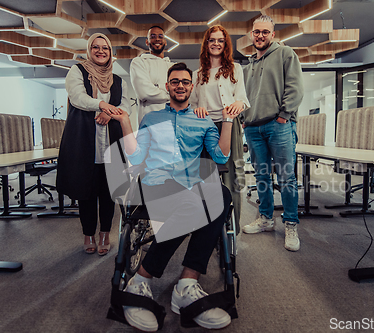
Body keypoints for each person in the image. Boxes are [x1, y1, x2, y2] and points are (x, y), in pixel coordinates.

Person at [111, 63, 236, 331]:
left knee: (221, 195)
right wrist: (125, 122)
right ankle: (141, 279)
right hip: (157, 183)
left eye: (185, 82)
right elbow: (134, 156)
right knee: (195, 202)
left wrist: (227, 120)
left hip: (190, 184)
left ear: (192, 87)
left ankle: (187, 282)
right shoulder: (151, 119)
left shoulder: (202, 120)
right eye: (175, 81)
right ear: (167, 86)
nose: (180, 85)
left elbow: (221, 156)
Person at [57, 33, 131, 255]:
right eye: (96, 47)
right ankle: (88, 233)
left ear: (110, 53)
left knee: (109, 191)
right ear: (89, 50)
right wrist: (102, 105)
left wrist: (109, 113)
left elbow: (125, 104)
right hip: (83, 141)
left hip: (111, 141)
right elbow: (77, 97)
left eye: (105, 48)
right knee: (85, 191)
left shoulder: (118, 80)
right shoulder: (76, 72)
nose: (101, 51)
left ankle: (105, 233)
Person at [241, 15, 304, 252]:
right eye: (256, 32)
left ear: (273, 34)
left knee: (286, 178)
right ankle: (266, 219)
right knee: (262, 177)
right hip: (253, 128)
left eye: (265, 32)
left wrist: (284, 115)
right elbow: (243, 97)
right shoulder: (249, 65)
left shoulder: (285, 54)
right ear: (251, 34)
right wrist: (244, 121)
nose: (260, 36)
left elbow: (295, 88)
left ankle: (290, 224)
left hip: (279, 125)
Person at [190, 25, 250, 234]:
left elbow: (243, 99)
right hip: (205, 129)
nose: (216, 43)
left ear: (225, 44)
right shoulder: (198, 74)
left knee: (231, 175)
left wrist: (238, 104)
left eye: (220, 40)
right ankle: (209, 228)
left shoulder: (235, 69)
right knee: (207, 176)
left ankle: (232, 226)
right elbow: (192, 104)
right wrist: (197, 108)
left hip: (229, 125)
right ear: (206, 44)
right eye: (212, 40)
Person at [130, 25, 174, 123]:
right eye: (153, 36)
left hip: (172, 123)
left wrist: (157, 87)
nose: (157, 39)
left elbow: (182, 94)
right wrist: (171, 94)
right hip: (149, 124)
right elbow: (145, 93)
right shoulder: (139, 62)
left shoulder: (173, 66)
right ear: (147, 42)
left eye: (160, 36)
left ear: (165, 41)